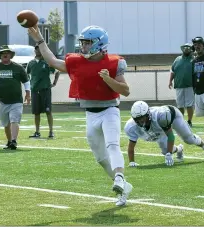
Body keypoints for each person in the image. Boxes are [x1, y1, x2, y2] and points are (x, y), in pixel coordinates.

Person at [28, 25, 132, 206]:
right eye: (82, 42)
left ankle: (120, 176)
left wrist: (108, 79)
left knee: (112, 143)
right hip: (90, 114)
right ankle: (123, 184)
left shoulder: (114, 62)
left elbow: (126, 91)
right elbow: (52, 61)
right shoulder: (77, 62)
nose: (83, 46)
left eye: (87, 42)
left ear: (99, 44)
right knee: (100, 158)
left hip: (109, 110)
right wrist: (39, 40)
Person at [124, 101, 204, 167]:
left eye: (142, 118)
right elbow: (131, 146)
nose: (140, 121)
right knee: (165, 150)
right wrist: (131, 162)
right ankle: (179, 149)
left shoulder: (161, 116)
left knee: (189, 139)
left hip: (173, 117)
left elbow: (170, 136)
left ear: (148, 114)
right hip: (158, 127)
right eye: (137, 119)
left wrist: (169, 154)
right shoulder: (131, 127)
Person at [0, 45, 31, 150]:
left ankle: (14, 141)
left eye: (7, 52)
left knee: (14, 120)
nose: (5, 54)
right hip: (2, 100)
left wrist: (28, 93)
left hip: (16, 100)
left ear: (11, 55)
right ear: (0, 56)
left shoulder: (18, 67)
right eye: (2, 53)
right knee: (6, 124)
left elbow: (26, 81)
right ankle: (9, 141)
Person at [27, 45, 60, 139]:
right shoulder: (31, 63)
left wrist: (54, 83)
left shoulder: (47, 62)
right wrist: (30, 85)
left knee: (48, 111)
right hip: (34, 90)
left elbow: (57, 71)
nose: (38, 51)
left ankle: (51, 131)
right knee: (36, 112)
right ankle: (37, 131)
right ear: (35, 50)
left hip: (45, 89)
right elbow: (27, 75)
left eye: (40, 49)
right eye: (37, 49)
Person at [169, 43, 194, 127]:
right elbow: (172, 71)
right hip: (179, 85)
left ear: (191, 49)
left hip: (190, 85)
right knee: (180, 104)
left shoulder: (194, 59)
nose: (186, 49)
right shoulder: (177, 59)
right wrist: (170, 81)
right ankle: (181, 120)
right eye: (185, 48)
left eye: (188, 48)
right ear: (182, 49)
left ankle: (189, 121)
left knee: (189, 104)